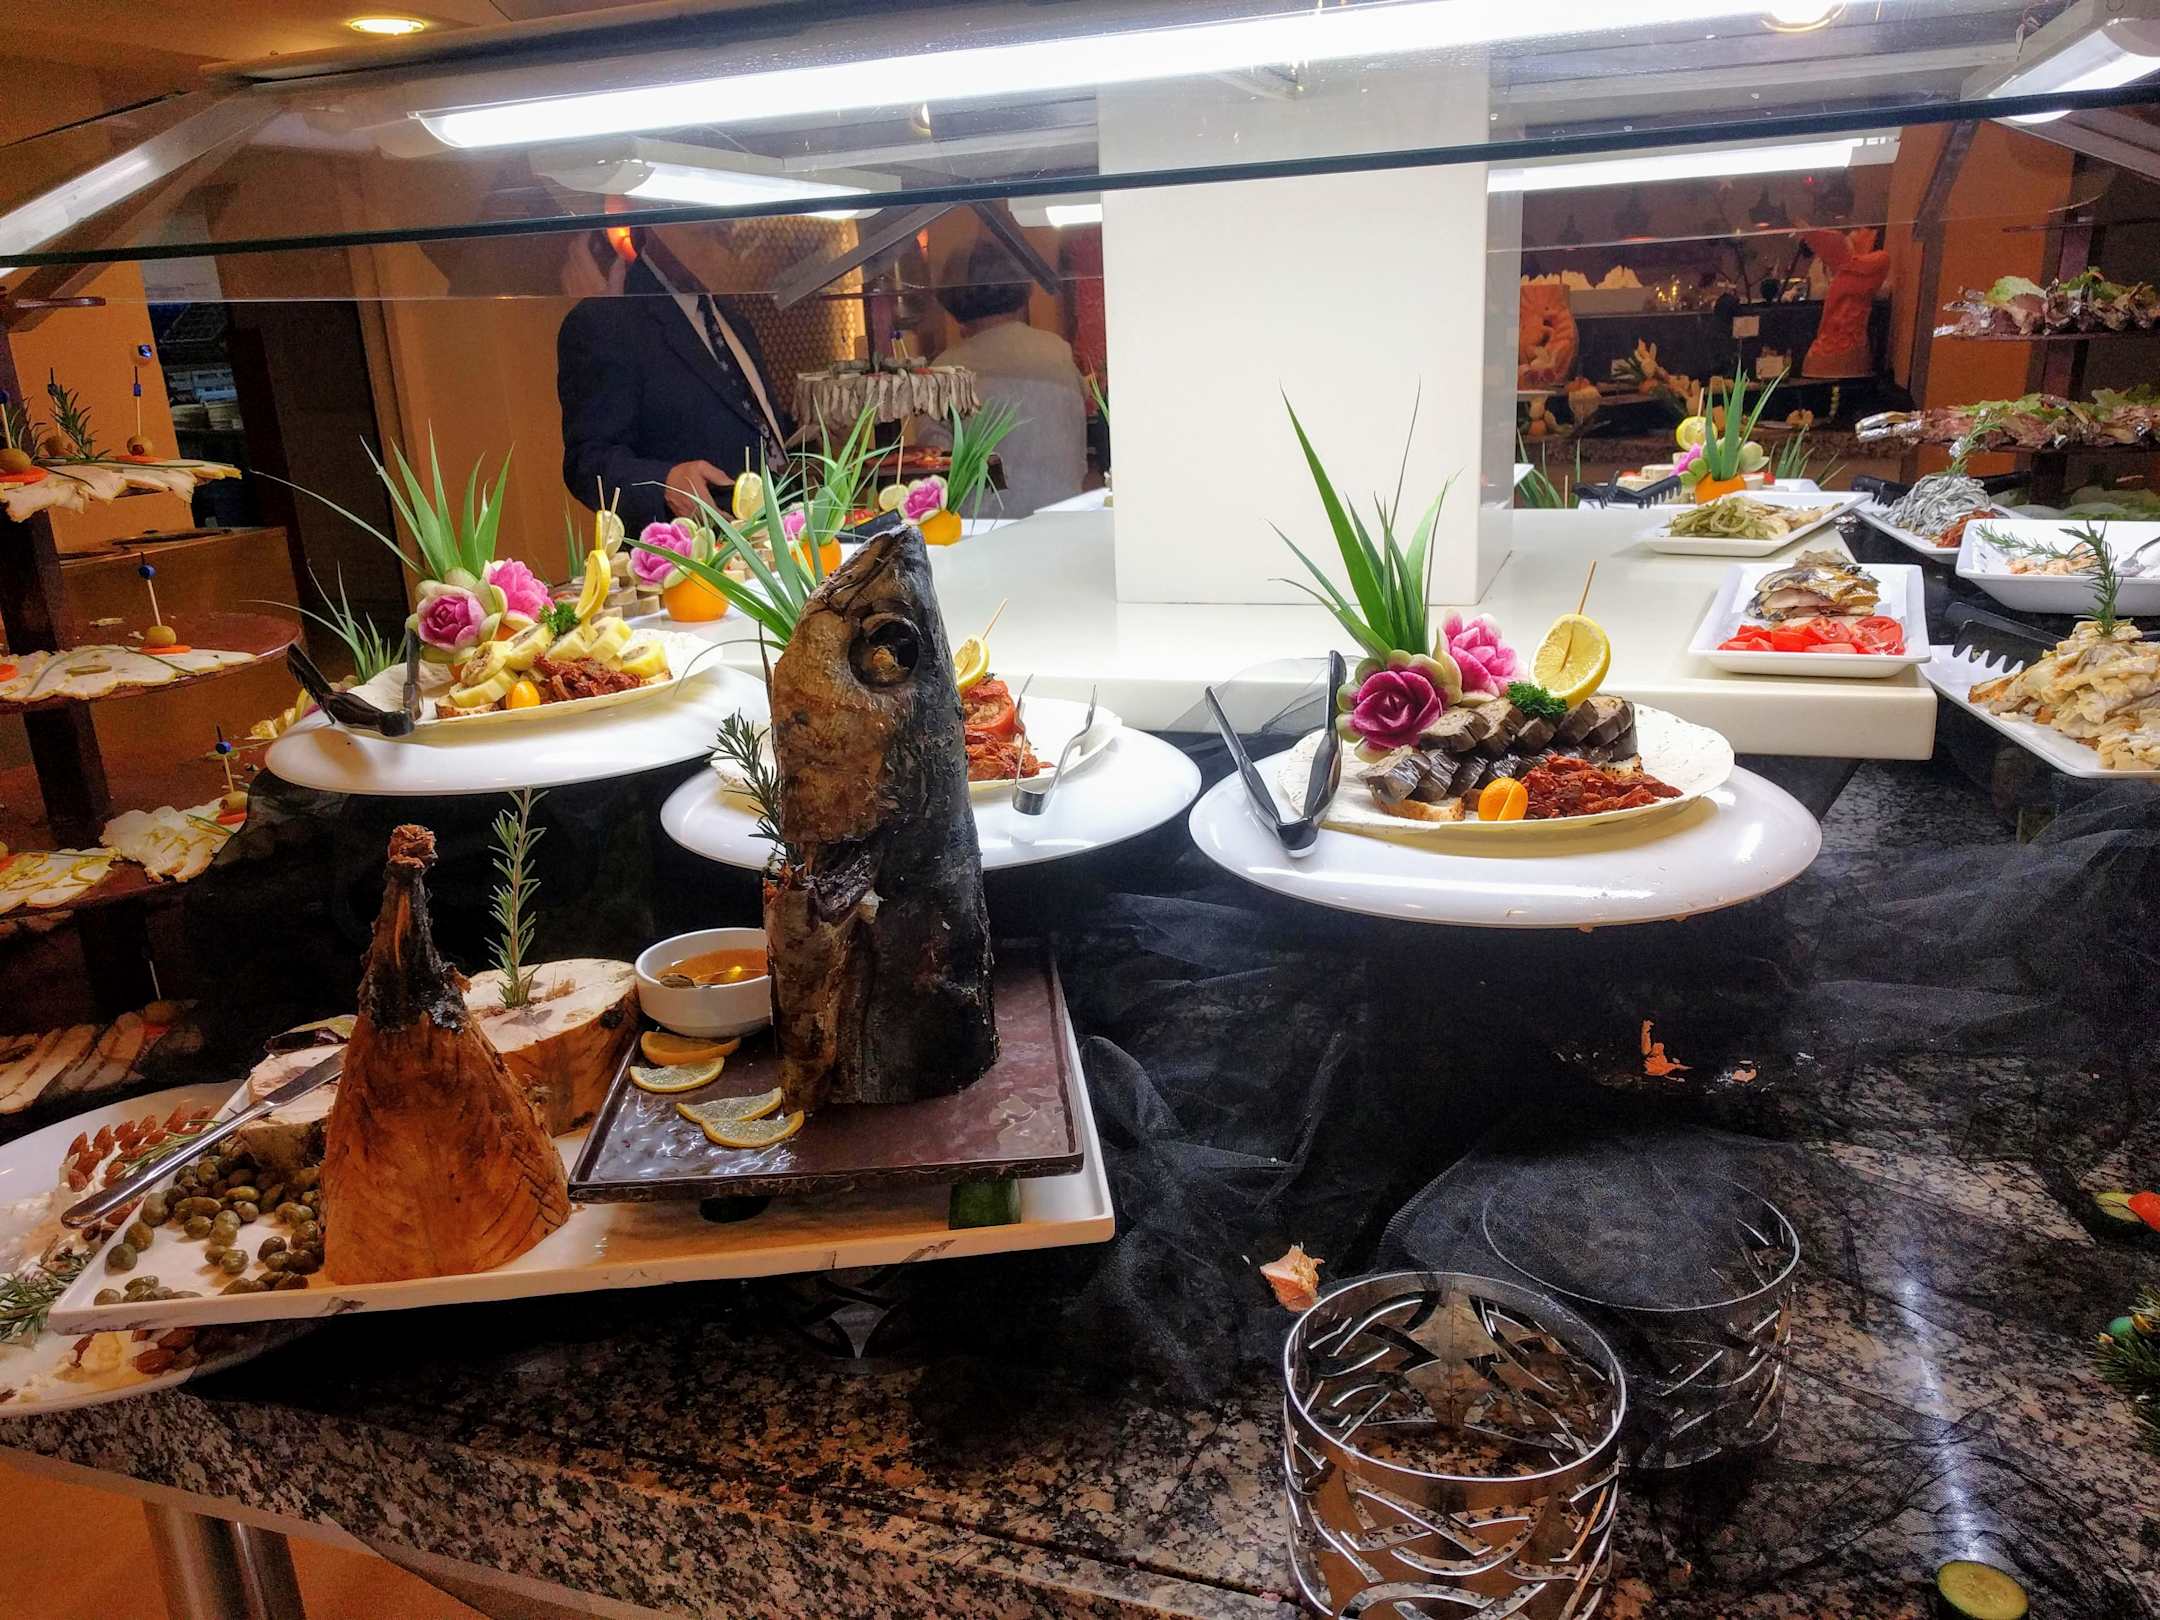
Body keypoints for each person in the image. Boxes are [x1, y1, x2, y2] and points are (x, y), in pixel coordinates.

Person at [556, 231, 791, 533]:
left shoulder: (732, 317)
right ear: (656, 228)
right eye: (702, 230)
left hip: (781, 537)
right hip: (696, 549)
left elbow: (750, 423)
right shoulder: (607, 321)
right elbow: (587, 464)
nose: (718, 235)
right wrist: (666, 482)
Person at [931, 238, 1086, 518]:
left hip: (985, 529)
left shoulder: (945, 368)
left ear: (951, 300)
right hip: (1066, 516)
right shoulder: (1056, 349)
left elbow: (934, 468)